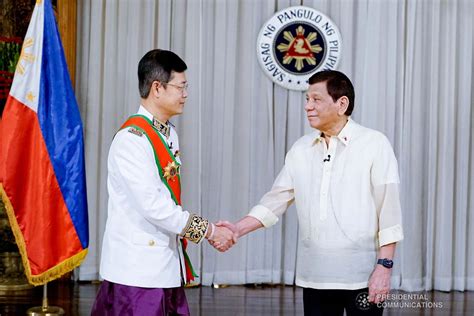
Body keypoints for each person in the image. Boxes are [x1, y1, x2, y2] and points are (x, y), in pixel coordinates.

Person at [217, 70, 404, 316]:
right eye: (307, 100)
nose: (308, 107)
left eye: (316, 99)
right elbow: (275, 201)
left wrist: (384, 266)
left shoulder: (374, 144)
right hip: (314, 276)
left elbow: (388, 211)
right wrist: (237, 229)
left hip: (363, 276)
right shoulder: (301, 149)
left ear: (342, 103)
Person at [91, 49, 235, 315]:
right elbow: (154, 206)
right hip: (137, 274)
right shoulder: (132, 140)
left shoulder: (167, 134)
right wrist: (210, 231)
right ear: (157, 88)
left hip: (163, 265)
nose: (185, 94)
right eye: (181, 86)